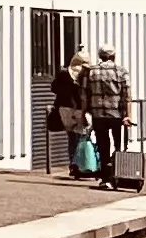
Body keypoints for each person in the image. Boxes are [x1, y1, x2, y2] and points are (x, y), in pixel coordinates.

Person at [85, 46, 133, 184]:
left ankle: (105, 178)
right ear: (113, 56)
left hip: (98, 114)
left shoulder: (91, 71)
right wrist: (127, 115)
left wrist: (83, 113)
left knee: (102, 145)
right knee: (118, 144)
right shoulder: (121, 71)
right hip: (116, 114)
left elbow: (84, 94)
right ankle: (117, 174)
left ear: (100, 56)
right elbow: (127, 96)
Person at [48, 53, 89, 178]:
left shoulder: (62, 74)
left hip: (64, 109)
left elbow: (53, 88)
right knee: (82, 137)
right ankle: (83, 165)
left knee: (71, 138)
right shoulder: (86, 74)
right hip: (79, 109)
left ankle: (73, 165)